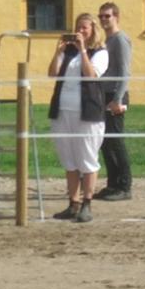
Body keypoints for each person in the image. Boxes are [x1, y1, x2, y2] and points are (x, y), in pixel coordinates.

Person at [47, 13, 108, 223]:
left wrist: (83, 50)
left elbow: (91, 75)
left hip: (88, 111)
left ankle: (87, 203)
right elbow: (53, 73)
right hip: (63, 109)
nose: (80, 31)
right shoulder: (68, 51)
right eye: (78, 28)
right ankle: (72, 202)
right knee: (69, 158)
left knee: (87, 157)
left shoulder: (100, 52)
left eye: (85, 28)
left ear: (93, 30)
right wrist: (59, 52)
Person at [95, 2, 132, 201]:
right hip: (104, 94)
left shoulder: (120, 39)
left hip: (116, 95)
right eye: (101, 16)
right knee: (105, 141)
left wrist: (118, 99)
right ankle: (112, 183)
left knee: (116, 140)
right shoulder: (106, 40)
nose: (103, 20)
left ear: (116, 16)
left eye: (107, 16)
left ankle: (125, 186)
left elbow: (125, 71)